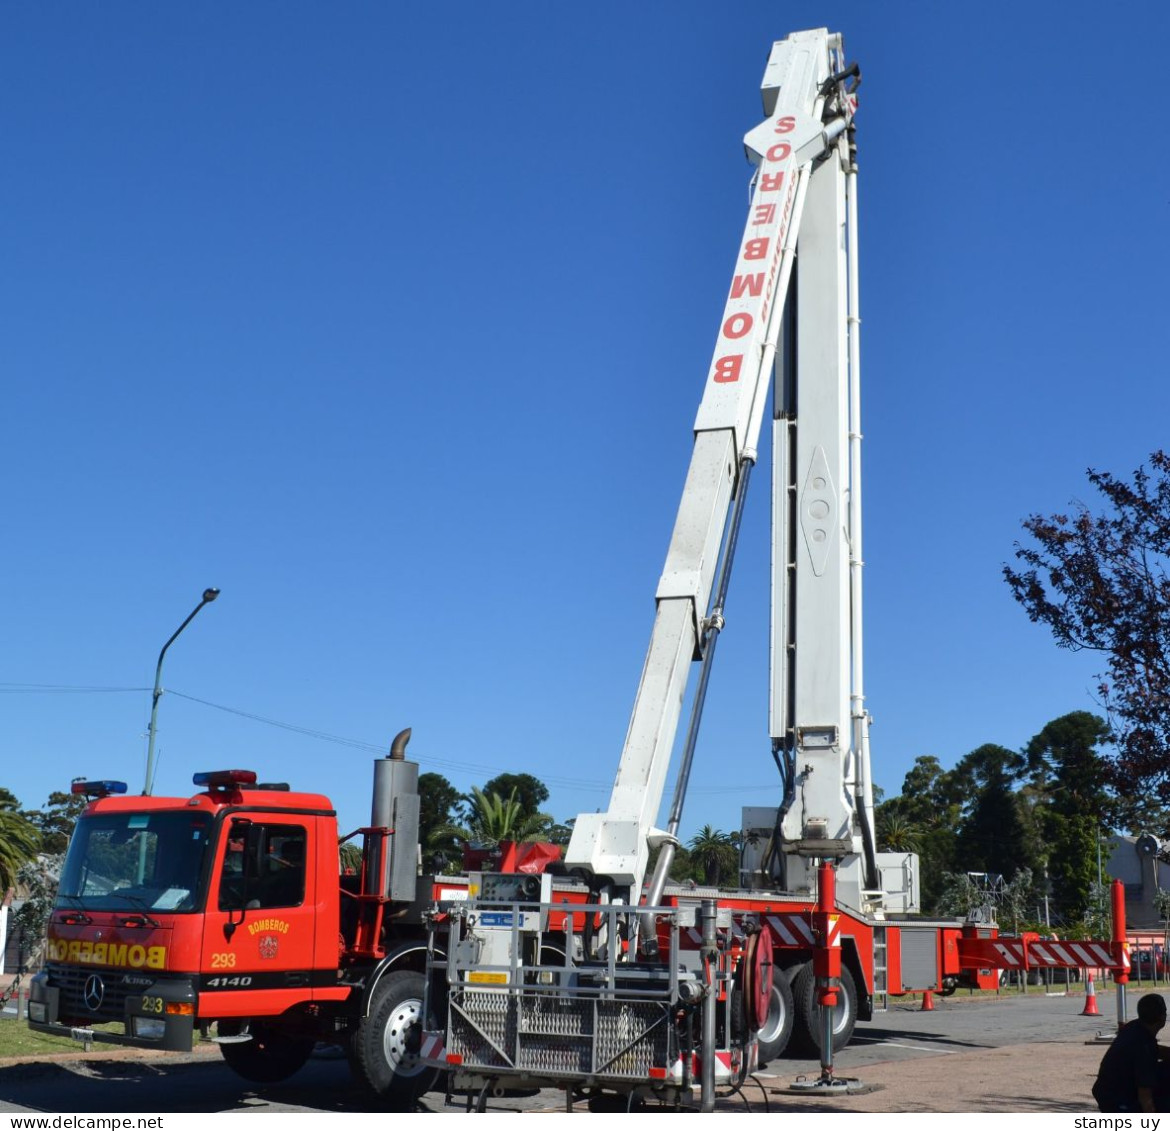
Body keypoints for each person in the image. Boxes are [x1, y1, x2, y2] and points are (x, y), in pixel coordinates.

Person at [1093, 993, 1170, 1112]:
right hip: (1117, 1100)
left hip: (1106, 1089)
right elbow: (1145, 1097)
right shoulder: (1144, 1049)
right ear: (1162, 1017)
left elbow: (1156, 1050)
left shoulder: (1134, 1027)